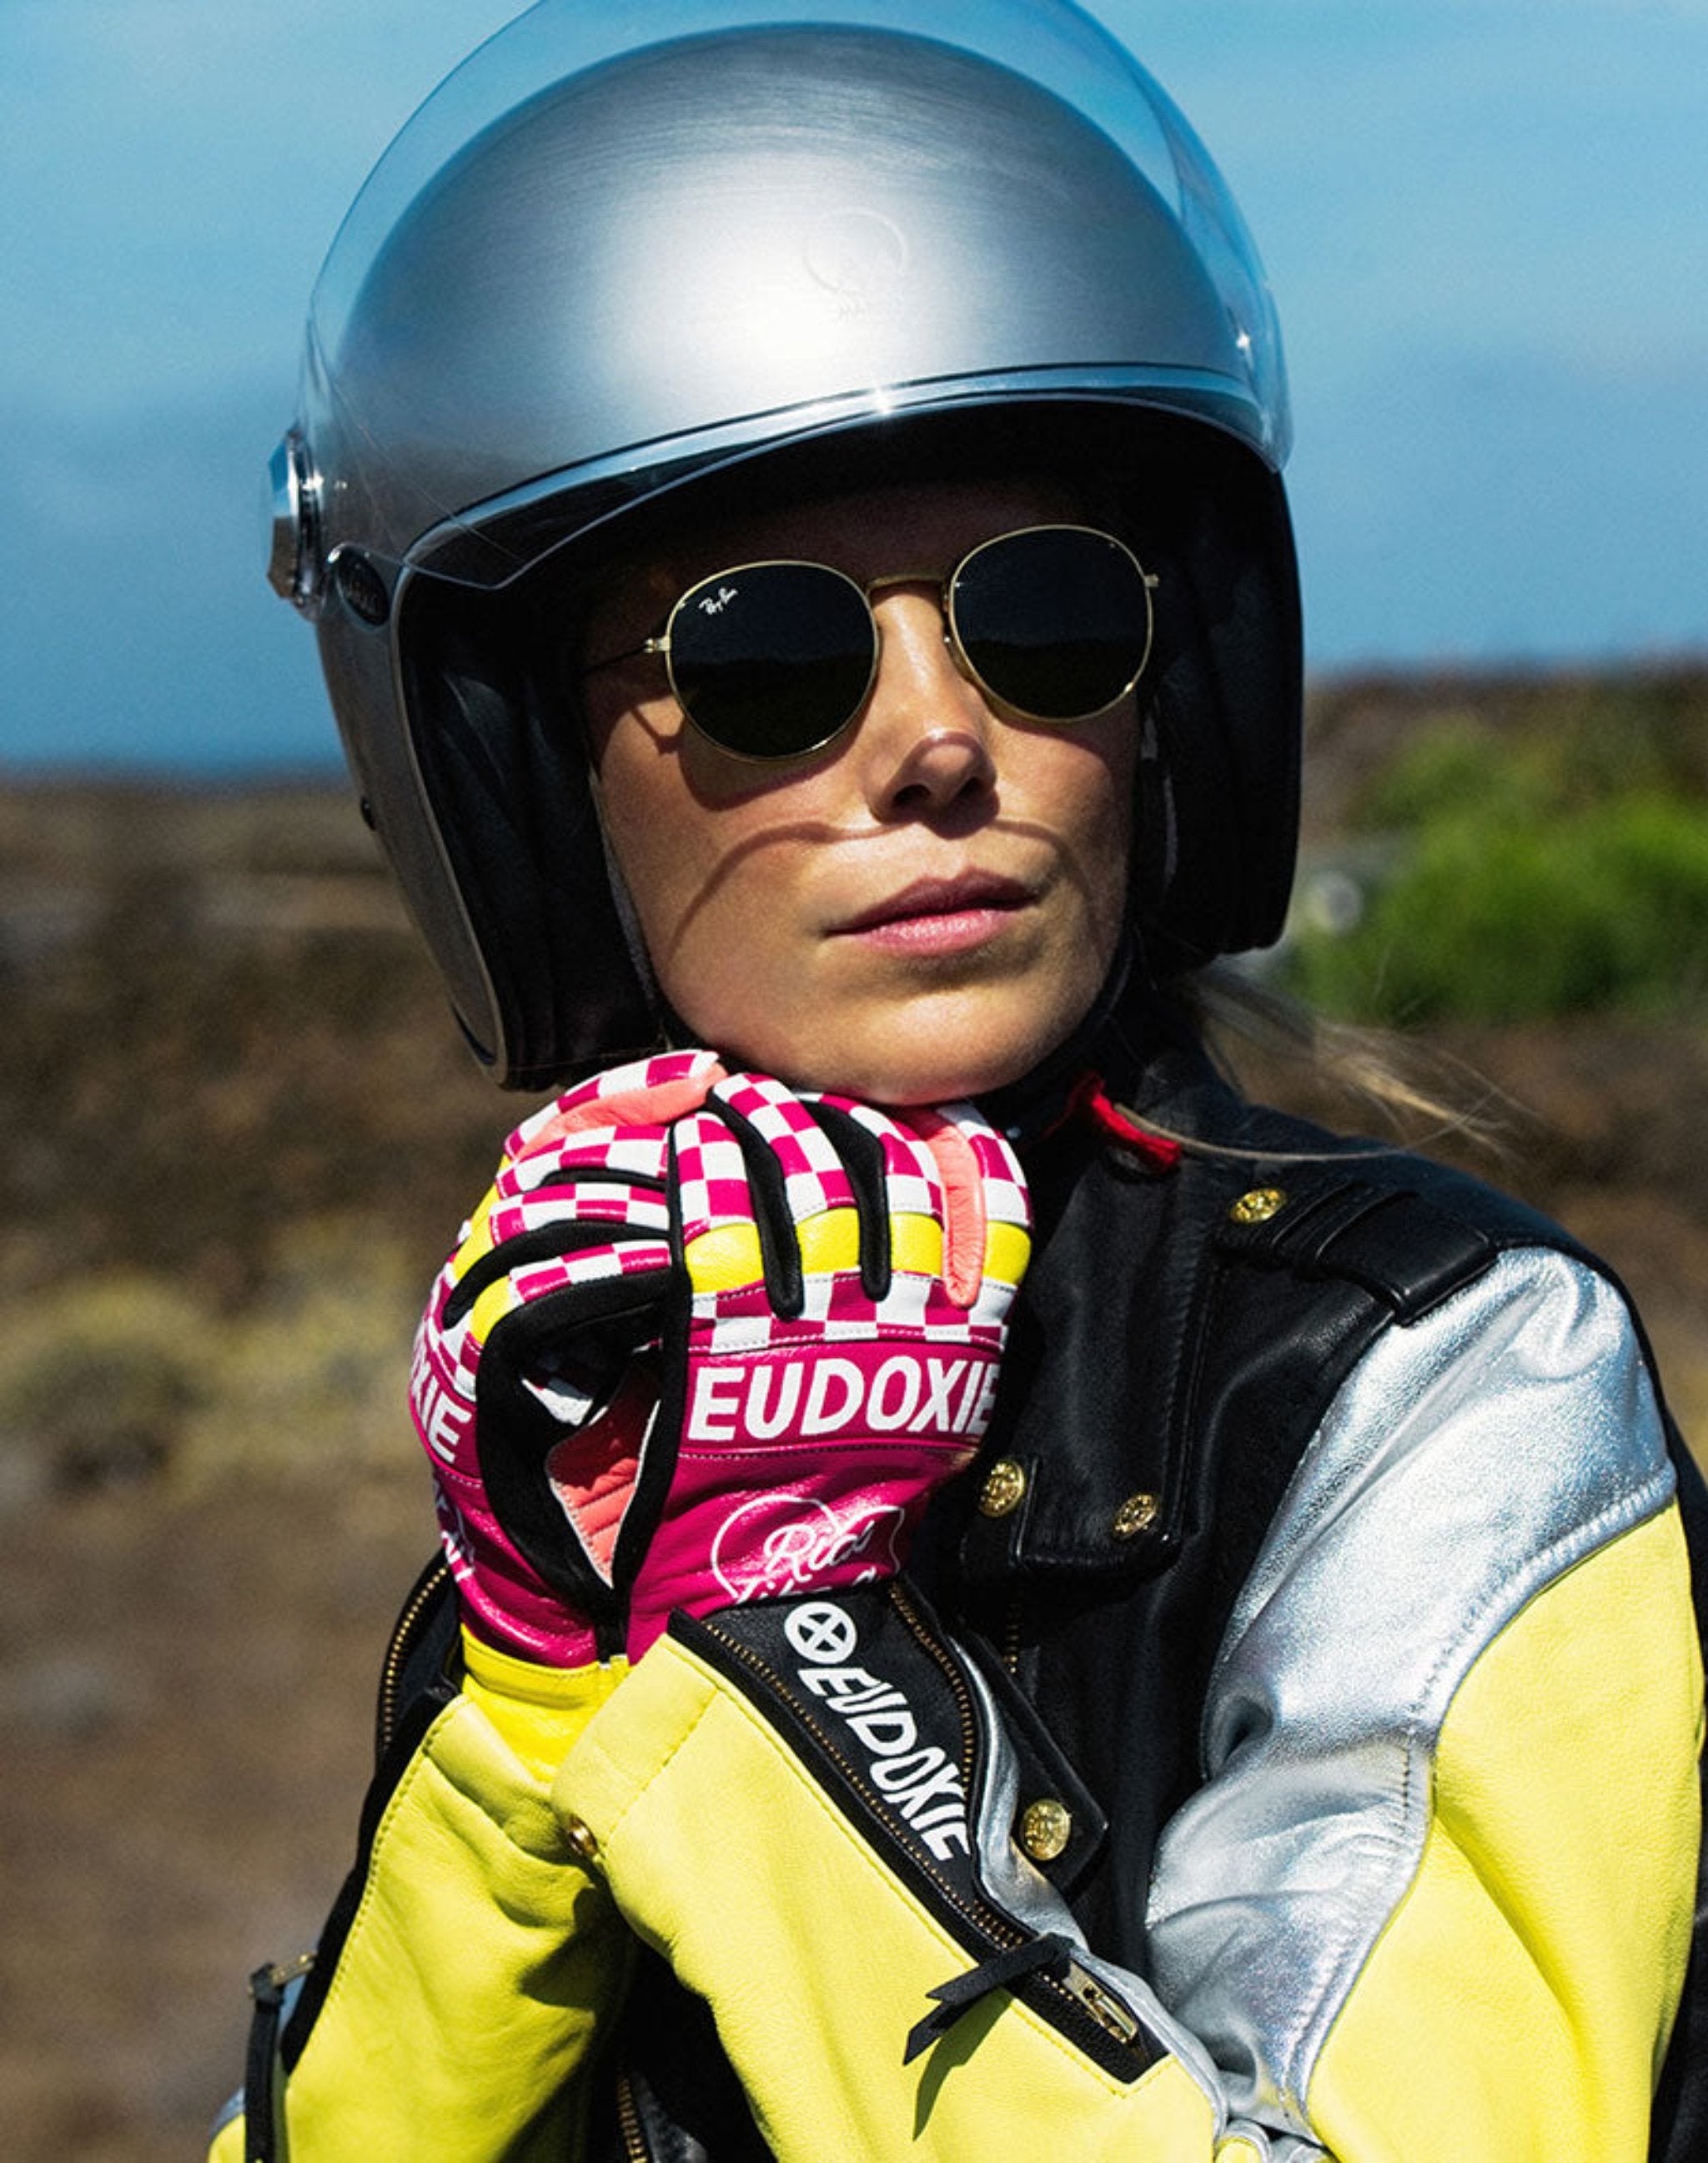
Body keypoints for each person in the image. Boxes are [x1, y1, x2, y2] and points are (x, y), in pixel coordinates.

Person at [225, 2, 1706, 2155]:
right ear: (528, 791)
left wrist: (774, 1665)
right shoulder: (633, 1378)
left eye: (1043, 617)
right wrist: (537, 1712)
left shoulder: (1447, 1379)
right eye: (764, 655)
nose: (939, 738)